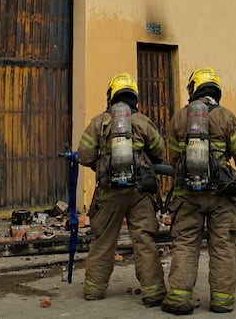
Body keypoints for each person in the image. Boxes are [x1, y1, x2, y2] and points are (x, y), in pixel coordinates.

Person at [161, 67, 236, 315]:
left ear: (193, 89)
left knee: (185, 244)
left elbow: (172, 158)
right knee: (223, 245)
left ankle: (179, 299)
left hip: (187, 194)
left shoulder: (179, 118)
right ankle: (222, 302)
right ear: (216, 91)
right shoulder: (226, 116)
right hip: (222, 194)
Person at [77, 72, 167, 306]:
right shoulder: (142, 121)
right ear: (134, 97)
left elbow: (84, 155)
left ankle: (94, 291)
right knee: (144, 240)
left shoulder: (99, 122)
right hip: (140, 192)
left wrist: (101, 162)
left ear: (111, 96)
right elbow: (160, 151)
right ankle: (154, 293)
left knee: (104, 240)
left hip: (109, 192)